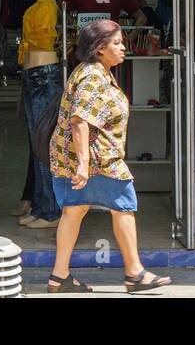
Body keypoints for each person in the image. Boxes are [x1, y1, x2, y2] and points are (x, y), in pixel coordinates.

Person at [46, 19, 171, 293]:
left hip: (73, 156)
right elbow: (80, 121)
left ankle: (59, 277)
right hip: (95, 159)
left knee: (74, 210)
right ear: (100, 48)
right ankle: (135, 273)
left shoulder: (95, 71)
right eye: (117, 42)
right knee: (124, 205)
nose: (123, 47)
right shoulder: (93, 76)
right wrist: (82, 165)